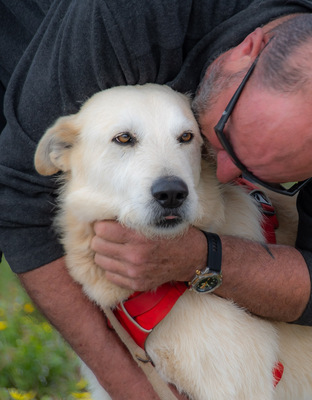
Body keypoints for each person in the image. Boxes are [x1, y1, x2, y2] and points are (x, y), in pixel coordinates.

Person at [0, 1, 311, 399]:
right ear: (246, 51)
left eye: (265, 172)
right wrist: (131, 388)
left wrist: (202, 256)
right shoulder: (132, 17)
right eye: (226, 140)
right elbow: (18, 200)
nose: (224, 174)